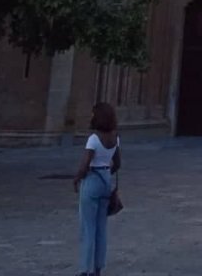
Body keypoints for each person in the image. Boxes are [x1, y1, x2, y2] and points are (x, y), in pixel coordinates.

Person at [73, 102, 121, 276]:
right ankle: (98, 267)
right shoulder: (115, 137)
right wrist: (106, 172)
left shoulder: (94, 139)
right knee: (101, 227)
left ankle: (84, 269)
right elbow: (118, 163)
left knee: (87, 227)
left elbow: (85, 164)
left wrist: (77, 178)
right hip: (106, 181)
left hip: (92, 181)